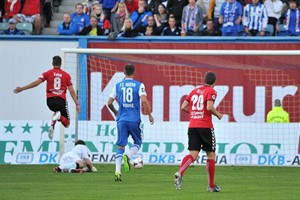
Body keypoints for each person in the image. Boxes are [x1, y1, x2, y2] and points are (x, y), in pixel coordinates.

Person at [174, 71, 223, 192]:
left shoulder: (194, 91)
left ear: (204, 80)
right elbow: (209, 107)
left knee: (193, 154)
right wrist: (218, 114)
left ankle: (180, 172)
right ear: (214, 83)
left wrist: (195, 114)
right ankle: (211, 186)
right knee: (210, 154)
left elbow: (183, 107)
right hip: (205, 126)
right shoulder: (211, 91)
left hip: (193, 126)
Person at [13, 56, 80, 140]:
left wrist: (22, 88)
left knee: (56, 111)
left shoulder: (47, 73)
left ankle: (52, 125)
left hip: (50, 101)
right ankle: (59, 117)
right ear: (61, 64)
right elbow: (71, 91)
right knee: (67, 124)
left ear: (52, 64)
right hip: (61, 101)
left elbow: (36, 83)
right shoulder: (66, 75)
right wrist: (77, 104)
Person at [107, 64, 154, 181]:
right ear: (134, 72)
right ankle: (127, 156)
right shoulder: (139, 85)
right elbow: (144, 100)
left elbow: (109, 103)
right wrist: (149, 114)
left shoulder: (117, 85)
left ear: (124, 72)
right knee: (138, 142)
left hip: (121, 119)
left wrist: (116, 112)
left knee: (120, 145)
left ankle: (117, 172)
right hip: (134, 120)